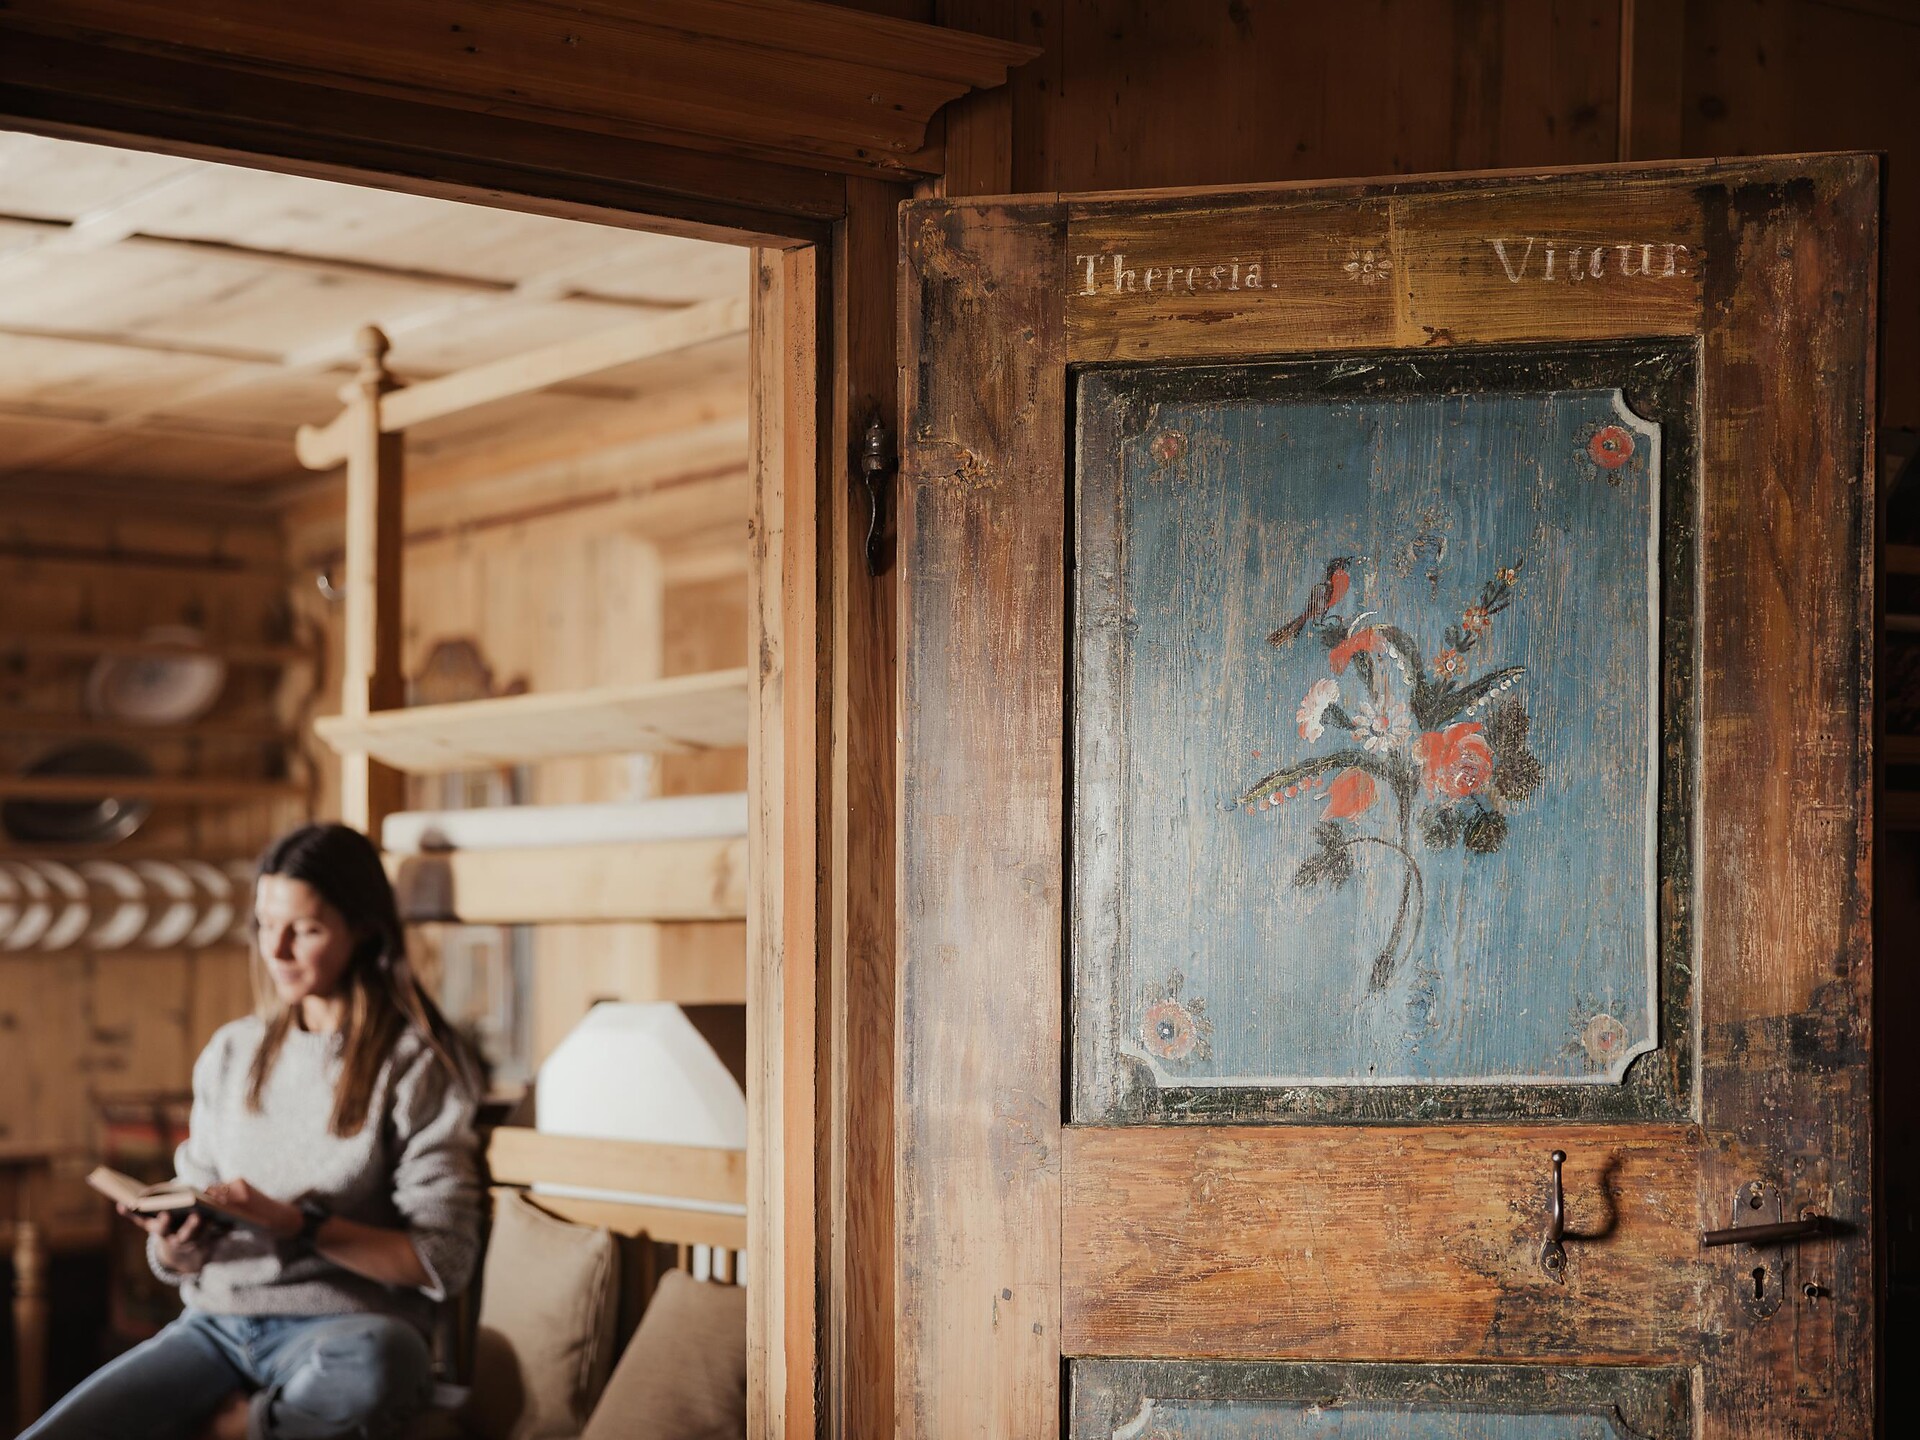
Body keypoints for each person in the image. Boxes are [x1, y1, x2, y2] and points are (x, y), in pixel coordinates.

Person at [25, 823, 483, 1440]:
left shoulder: (415, 1064)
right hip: (214, 1327)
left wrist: (298, 1225)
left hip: (341, 1333)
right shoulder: (233, 1051)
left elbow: (442, 1259)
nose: (277, 950)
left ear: (365, 931)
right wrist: (175, 1246)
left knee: (385, 1362)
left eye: (307, 930)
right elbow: (188, 1228)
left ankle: (247, 1426)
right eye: (266, 924)